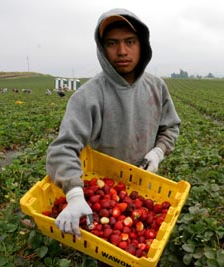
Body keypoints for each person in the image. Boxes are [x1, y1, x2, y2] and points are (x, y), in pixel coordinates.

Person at [45, 7, 181, 245]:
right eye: (112, 43)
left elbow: (170, 127)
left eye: (130, 41)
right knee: (112, 249)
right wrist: (75, 194)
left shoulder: (156, 87)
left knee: (145, 247)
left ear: (142, 45)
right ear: (102, 48)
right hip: (106, 187)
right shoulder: (88, 96)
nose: (122, 51)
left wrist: (158, 151)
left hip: (145, 186)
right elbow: (63, 148)